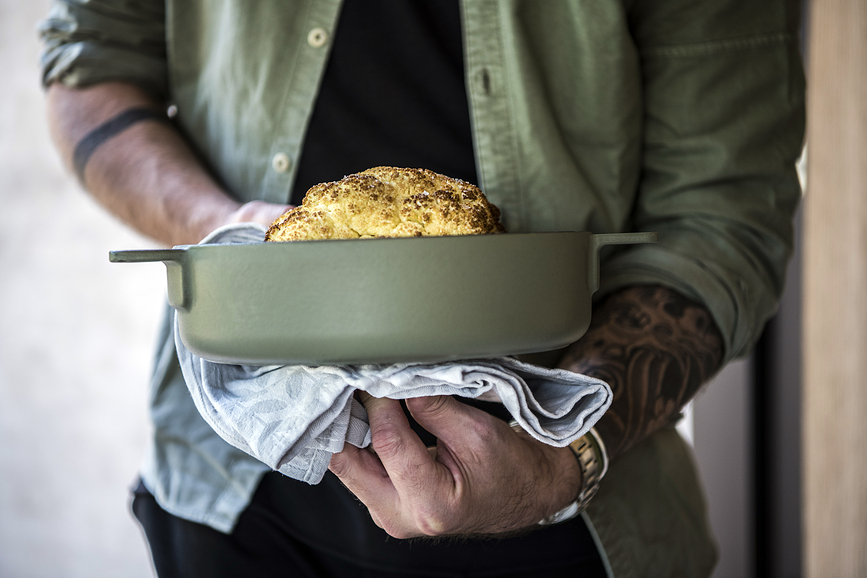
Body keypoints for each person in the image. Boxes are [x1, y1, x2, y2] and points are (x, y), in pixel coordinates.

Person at [39, 0, 805, 576]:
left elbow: (720, 215)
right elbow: (89, 63)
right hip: (233, 499)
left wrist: (562, 453)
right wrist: (232, 232)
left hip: (567, 524)